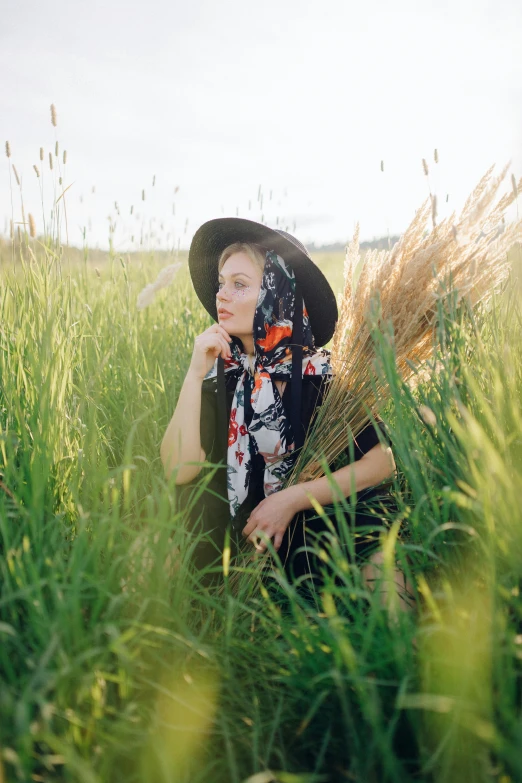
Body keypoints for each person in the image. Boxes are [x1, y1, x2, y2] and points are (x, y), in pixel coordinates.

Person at [161, 217, 408, 601]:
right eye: (221, 283)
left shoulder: (318, 378)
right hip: (238, 541)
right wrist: (194, 376)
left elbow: (381, 463)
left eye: (239, 284)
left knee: (379, 558)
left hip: (312, 528)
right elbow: (179, 470)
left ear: (278, 295)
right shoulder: (223, 380)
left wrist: (291, 499)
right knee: (162, 539)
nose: (221, 295)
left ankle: (396, 646)